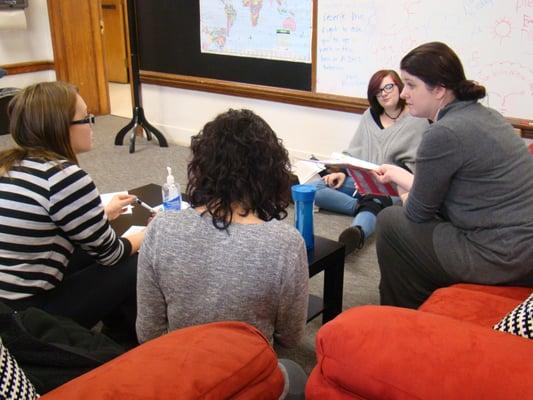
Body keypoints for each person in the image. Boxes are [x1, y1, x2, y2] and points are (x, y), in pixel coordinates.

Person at [136, 109, 309, 398]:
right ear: (271, 172)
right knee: (297, 373)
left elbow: (148, 333)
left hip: (179, 376)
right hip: (247, 376)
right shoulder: (286, 244)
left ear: (202, 167)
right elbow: (290, 337)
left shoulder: (161, 228)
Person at [374, 42, 533, 309]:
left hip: (502, 256)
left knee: (391, 222)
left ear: (439, 89)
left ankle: (402, 313)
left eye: (411, 85)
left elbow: (417, 213)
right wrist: (406, 182)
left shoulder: (443, 133)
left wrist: (404, 194)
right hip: (522, 249)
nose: (403, 93)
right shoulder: (486, 116)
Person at [0, 81, 144, 340]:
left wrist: (99, 213)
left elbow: (42, 220)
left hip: (7, 300)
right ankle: (123, 341)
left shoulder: (10, 165)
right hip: (29, 319)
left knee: (93, 244)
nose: (91, 126)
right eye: (85, 118)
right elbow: (112, 254)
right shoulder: (63, 177)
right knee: (136, 259)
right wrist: (153, 231)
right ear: (59, 127)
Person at [312, 70, 428, 254]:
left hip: (392, 186)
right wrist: (342, 173)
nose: (384, 93)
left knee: (378, 199)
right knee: (316, 188)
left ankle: (359, 231)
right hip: (363, 179)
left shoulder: (417, 120)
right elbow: (354, 153)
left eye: (389, 87)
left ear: (399, 87)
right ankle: (361, 206)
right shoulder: (369, 116)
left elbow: (416, 166)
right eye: (378, 90)